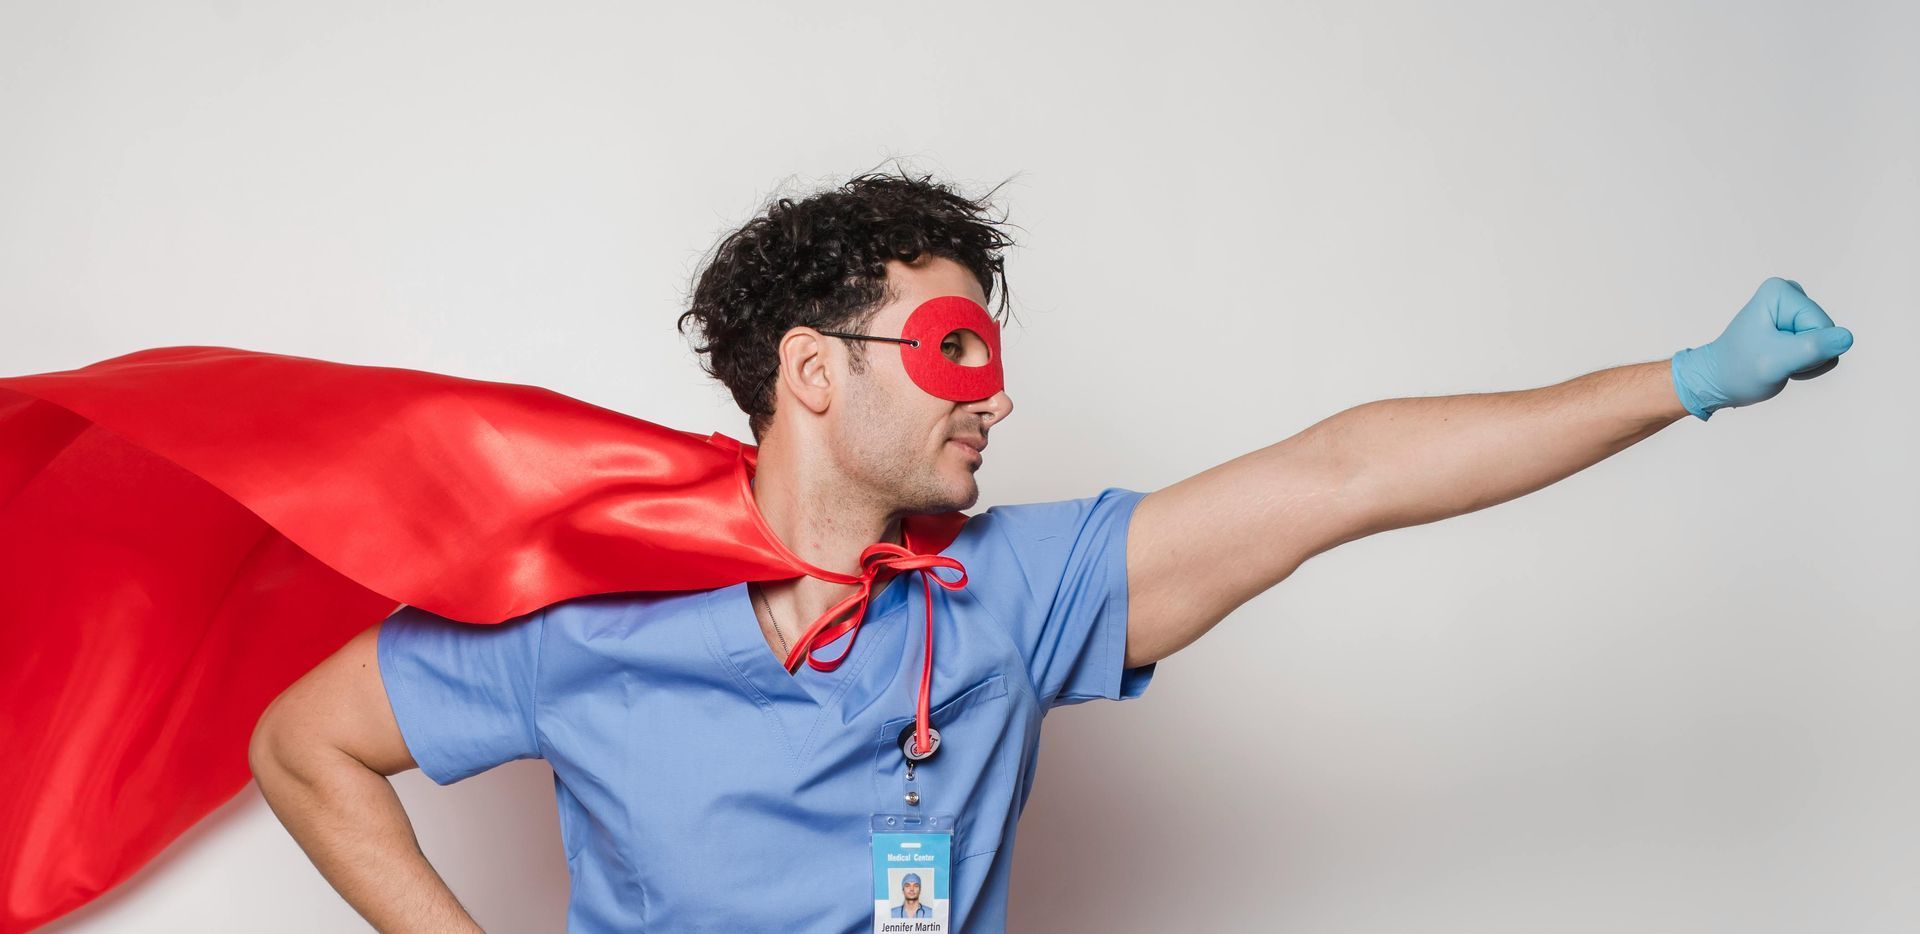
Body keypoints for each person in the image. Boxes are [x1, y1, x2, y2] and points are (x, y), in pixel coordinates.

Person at [246, 170, 1855, 932]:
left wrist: (1686, 382)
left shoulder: (1017, 590)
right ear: (814, 370)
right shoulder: (581, 613)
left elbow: (1344, 471)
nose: (998, 394)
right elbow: (306, 743)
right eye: (952, 349)